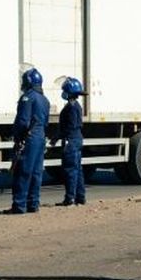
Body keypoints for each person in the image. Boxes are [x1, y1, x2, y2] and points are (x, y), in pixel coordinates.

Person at [9, 67, 50, 214]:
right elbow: (45, 122)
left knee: (23, 171)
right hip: (40, 137)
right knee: (36, 173)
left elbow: (23, 121)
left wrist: (18, 137)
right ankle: (34, 204)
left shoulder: (28, 97)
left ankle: (19, 205)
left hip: (29, 137)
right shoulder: (45, 100)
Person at [54, 77, 86, 207]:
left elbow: (70, 126)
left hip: (71, 140)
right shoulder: (76, 106)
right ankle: (80, 198)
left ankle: (70, 199)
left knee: (70, 170)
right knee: (77, 170)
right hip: (76, 139)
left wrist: (59, 136)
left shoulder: (71, 107)